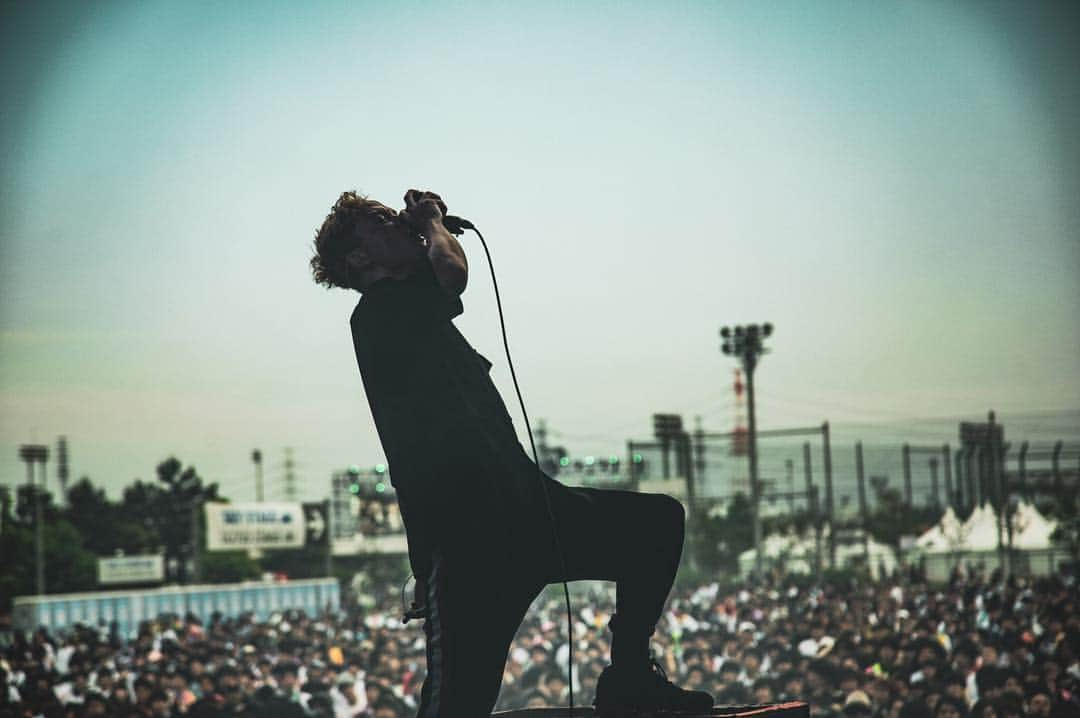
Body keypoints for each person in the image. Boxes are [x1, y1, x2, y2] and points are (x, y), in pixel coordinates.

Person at [310, 189, 714, 716]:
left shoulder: (416, 314)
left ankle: (630, 676)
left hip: (530, 511)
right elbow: (453, 272)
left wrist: (429, 232)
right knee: (458, 705)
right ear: (360, 260)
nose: (398, 224)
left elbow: (445, 274)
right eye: (383, 224)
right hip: (468, 548)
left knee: (656, 524)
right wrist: (432, 220)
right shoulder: (379, 314)